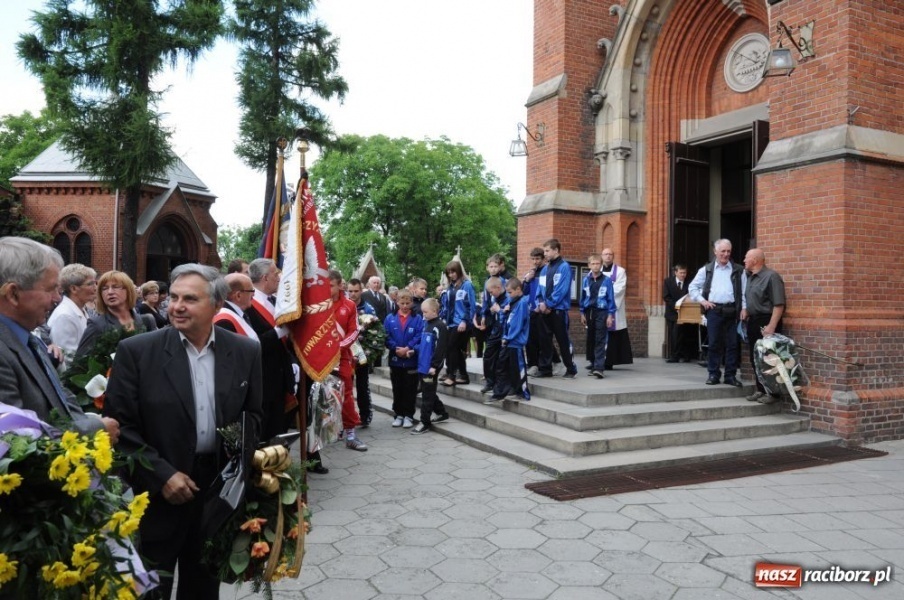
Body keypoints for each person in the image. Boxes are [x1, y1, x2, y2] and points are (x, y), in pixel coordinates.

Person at [103, 264, 263, 600]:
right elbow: (121, 430)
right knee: (150, 590)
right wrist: (162, 476)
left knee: (203, 588)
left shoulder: (246, 351)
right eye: (173, 297)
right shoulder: (138, 352)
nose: (176, 306)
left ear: (217, 304)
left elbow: (254, 418)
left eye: (189, 299)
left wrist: (240, 477)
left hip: (216, 495)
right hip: (157, 494)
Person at [0, 237, 119, 440]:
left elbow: (61, 397)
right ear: (13, 294)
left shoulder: (30, 340)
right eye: (50, 289)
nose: (57, 298)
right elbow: (16, 440)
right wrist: (94, 429)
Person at [245, 258, 295, 441]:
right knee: (265, 432)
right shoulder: (248, 306)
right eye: (275, 273)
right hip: (263, 380)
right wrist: (277, 332)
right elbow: (251, 342)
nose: (279, 277)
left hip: (281, 376)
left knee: (278, 429)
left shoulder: (275, 301)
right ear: (265, 278)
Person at [688, 239, 744, 387]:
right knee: (714, 344)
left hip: (732, 310)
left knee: (732, 344)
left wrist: (744, 308)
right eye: (723, 251)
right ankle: (713, 374)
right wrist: (702, 301)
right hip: (714, 311)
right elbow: (692, 287)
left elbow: (743, 292)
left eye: (728, 251)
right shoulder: (706, 269)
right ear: (715, 252)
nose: (726, 254)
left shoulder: (738, 270)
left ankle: (730, 376)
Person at [74, 270, 157, 360]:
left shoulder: (147, 321)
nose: (110, 292)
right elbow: (79, 365)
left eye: (115, 287)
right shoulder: (97, 325)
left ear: (128, 290)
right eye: (104, 288)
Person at [328, 270, 368, 451]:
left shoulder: (349, 306)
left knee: (347, 396)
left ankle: (351, 434)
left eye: (330, 285)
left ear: (339, 285)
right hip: (321, 358)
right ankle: (330, 431)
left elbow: (354, 331)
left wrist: (339, 347)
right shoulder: (319, 305)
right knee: (324, 395)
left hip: (343, 357)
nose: (327, 289)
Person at [741, 248, 787, 403]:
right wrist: (746, 310)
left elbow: (779, 304)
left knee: (769, 358)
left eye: (746, 258)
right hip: (753, 321)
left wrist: (771, 326)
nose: (744, 261)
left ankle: (773, 394)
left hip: (767, 321)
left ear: (755, 260)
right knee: (756, 359)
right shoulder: (750, 277)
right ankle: (760, 389)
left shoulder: (772, 277)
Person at [536, 239, 578, 378]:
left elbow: (561, 290)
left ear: (556, 250)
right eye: (545, 251)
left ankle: (571, 369)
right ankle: (545, 369)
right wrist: (541, 302)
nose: (545, 254)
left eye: (547, 251)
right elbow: (539, 289)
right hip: (544, 311)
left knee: (563, 341)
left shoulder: (564, 267)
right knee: (544, 341)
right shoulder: (544, 269)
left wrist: (548, 304)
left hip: (558, 311)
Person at [487, 277, 531, 402]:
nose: (509, 295)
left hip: (515, 342)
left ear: (518, 289)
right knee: (502, 366)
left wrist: (508, 337)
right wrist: (504, 312)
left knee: (518, 368)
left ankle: (523, 391)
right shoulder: (513, 302)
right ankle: (499, 393)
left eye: (510, 292)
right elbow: (508, 320)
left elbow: (517, 324)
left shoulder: (522, 302)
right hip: (508, 341)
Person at [384, 289, 423, 428]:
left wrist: (408, 348)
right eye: (402, 303)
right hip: (395, 360)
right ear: (397, 302)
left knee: (410, 389)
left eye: (408, 303)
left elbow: (419, 335)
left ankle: (408, 415)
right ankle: (398, 414)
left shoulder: (417, 318)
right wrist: (395, 349)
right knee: (397, 388)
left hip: (410, 360)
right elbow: (386, 336)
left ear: (412, 302)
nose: (405, 306)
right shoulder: (390, 318)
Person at [47, 263, 97, 371]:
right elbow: (66, 359)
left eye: (95, 283)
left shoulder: (80, 309)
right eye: (90, 284)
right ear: (74, 289)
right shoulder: (65, 316)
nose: (95, 288)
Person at [411, 298, 450, 435]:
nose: (423, 314)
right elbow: (423, 344)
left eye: (425, 312)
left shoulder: (440, 326)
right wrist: (414, 350)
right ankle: (442, 412)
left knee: (427, 393)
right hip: (423, 365)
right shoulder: (426, 324)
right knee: (428, 390)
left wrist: (434, 366)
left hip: (431, 368)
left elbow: (440, 349)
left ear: (434, 311)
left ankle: (424, 422)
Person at [440, 260, 477, 386]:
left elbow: (471, 306)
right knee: (456, 349)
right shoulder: (450, 287)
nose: (451, 275)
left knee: (452, 347)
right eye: (449, 273)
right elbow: (447, 306)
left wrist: (465, 321)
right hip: (450, 323)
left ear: (459, 271)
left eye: (453, 272)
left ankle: (452, 375)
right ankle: (464, 375)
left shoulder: (467, 285)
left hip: (461, 323)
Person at [580, 254, 616, 379]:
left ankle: (599, 368)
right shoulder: (586, 280)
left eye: (597, 264)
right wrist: (582, 313)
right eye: (593, 264)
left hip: (602, 311)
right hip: (589, 311)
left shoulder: (606, 280)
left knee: (600, 338)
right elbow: (583, 297)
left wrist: (610, 315)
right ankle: (593, 364)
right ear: (589, 265)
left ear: (601, 265)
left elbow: (611, 298)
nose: (595, 266)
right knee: (591, 339)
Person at [346, 278, 375, 427]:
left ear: (361, 290)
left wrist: (367, 351)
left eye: (356, 291)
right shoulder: (343, 306)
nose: (353, 294)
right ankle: (347, 418)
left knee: (363, 387)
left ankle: (365, 416)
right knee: (345, 388)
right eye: (350, 291)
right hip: (346, 355)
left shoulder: (369, 309)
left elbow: (376, 332)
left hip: (363, 355)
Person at [600, 248, 633, 369]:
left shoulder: (620, 271)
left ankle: (609, 361)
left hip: (614, 309)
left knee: (613, 335)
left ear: (613, 256)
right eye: (605, 254)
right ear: (601, 256)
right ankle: (597, 360)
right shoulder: (596, 270)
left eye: (610, 254)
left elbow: (619, 289)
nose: (608, 256)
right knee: (598, 334)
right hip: (599, 308)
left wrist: (604, 299)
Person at [479, 277, 507, 395]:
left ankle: (500, 385)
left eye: (491, 292)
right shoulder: (495, 298)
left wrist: (499, 310)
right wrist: (491, 311)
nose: (491, 295)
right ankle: (489, 382)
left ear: (498, 288)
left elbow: (508, 317)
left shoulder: (507, 298)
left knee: (501, 359)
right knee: (488, 354)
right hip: (495, 330)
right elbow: (492, 311)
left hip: (504, 331)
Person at [213, 273, 259, 340]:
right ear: (238, 295)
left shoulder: (241, 312)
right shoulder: (224, 321)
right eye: (251, 290)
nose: (254, 294)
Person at [663, 263, 694, 363]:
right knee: (674, 335)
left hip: (686, 313)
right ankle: (674, 355)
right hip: (672, 313)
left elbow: (692, 295)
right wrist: (676, 306)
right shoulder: (668, 282)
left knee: (684, 334)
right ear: (675, 272)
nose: (683, 275)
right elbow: (666, 297)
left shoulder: (689, 283)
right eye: (681, 273)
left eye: (684, 273)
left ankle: (685, 355)